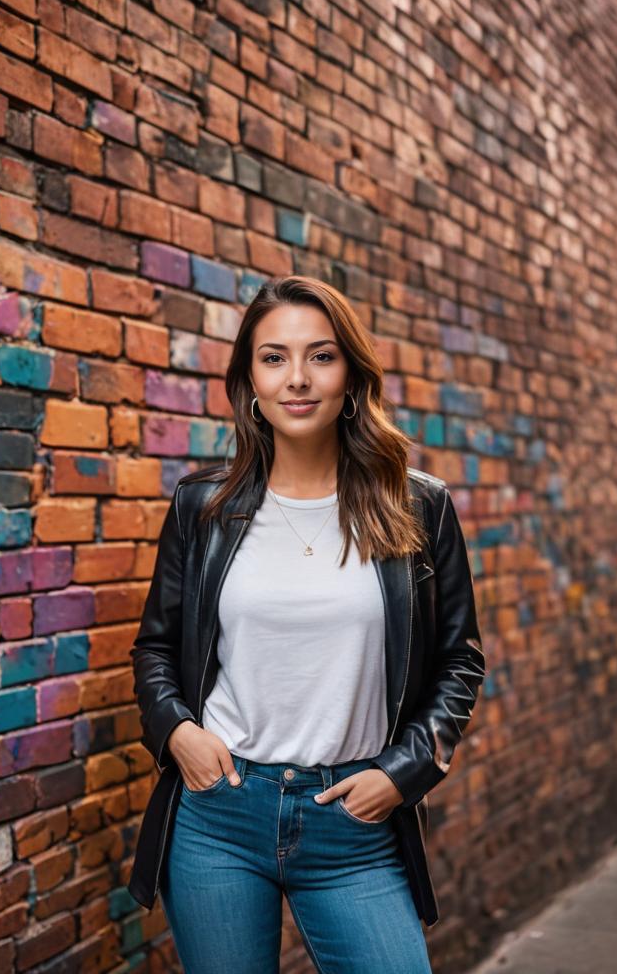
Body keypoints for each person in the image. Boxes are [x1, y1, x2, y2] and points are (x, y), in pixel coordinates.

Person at [128, 275, 485, 973]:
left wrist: (405, 771)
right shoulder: (203, 506)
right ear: (250, 382)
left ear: (350, 377)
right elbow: (156, 648)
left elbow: (459, 660)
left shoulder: (418, 508)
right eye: (273, 358)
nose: (297, 378)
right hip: (219, 814)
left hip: (353, 822)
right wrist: (178, 734)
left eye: (320, 357)